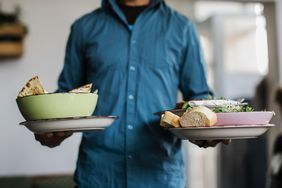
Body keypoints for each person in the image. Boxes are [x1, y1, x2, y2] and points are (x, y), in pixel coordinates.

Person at [35, 0, 228, 187]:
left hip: (160, 176)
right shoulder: (83, 28)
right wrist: (49, 127)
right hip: (97, 177)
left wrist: (207, 128)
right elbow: (67, 94)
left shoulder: (182, 28)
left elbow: (199, 97)